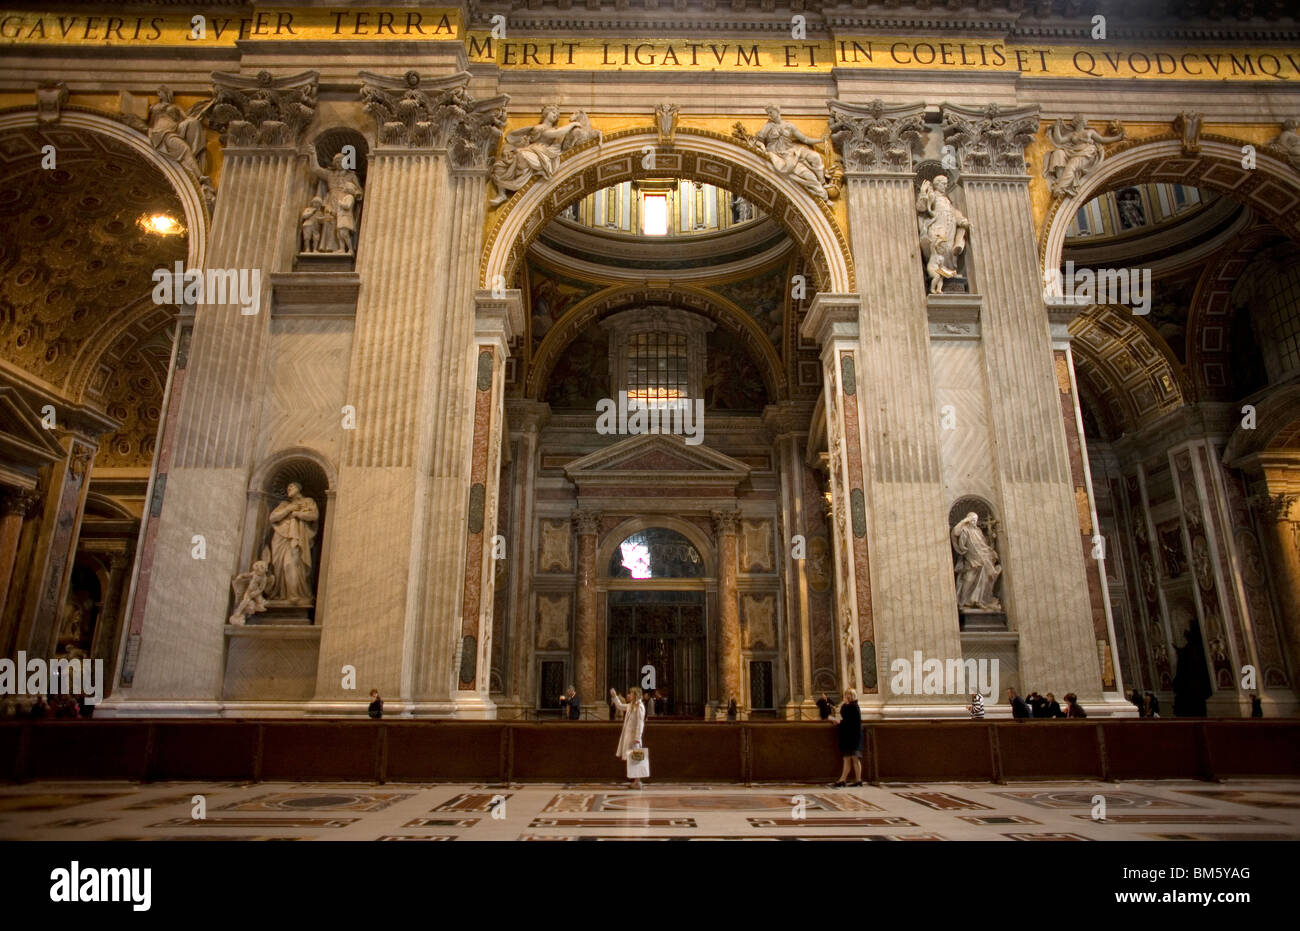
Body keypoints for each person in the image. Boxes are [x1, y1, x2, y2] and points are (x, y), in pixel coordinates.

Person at [609, 686, 647, 789]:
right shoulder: (631, 705)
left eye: (630, 693)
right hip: (629, 735)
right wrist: (614, 696)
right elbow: (620, 706)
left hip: (634, 737)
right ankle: (635, 780)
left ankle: (638, 781)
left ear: (635, 695)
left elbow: (640, 723)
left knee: (636, 758)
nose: (628, 695)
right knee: (632, 758)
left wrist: (638, 737)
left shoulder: (639, 706)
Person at [832, 688, 863, 787]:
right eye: (846, 695)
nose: (846, 696)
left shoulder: (854, 707)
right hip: (847, 736)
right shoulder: (846, 706)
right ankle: (843, 779)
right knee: (846, 758)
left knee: (855, 758)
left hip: (854, 736)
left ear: (853, 696)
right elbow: (842, 716)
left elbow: (849, 722)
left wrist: (838, 723)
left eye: (848, 695)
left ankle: (858, 780)